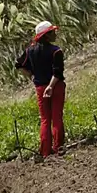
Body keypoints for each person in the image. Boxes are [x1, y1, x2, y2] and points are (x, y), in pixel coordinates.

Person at [16, 21, 66, 157]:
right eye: (52, 32)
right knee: (56, 117)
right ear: (47, 36)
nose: (55, 34)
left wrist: (31, 76)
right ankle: (58, 147)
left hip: (39, 87)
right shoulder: (56, 51)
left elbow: (19, 65)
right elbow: (57, 73)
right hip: (55, 86)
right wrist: (50, 86)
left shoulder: (29, 51)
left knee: (45, 119)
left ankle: (45, 151)